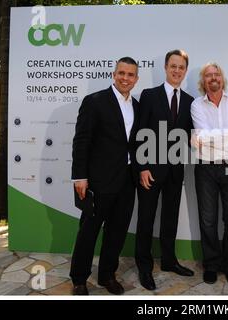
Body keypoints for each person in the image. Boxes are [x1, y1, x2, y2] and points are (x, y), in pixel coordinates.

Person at [69, 57, 140, 295]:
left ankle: (108, 275)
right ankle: (79, 279)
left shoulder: (137, 106)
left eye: (130, 75)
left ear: (136, 79)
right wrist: (80, 176)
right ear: (114, 74)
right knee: (89, 230)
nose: (125, 78)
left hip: (127, 180)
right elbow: (81, 141)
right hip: (99, 180)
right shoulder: (95, 101)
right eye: (121, 73)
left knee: (117, 231)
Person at [135, 49, 194, 291]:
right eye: (173, 66)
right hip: (150, 171)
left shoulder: (191, 102)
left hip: (175, 171)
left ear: (185, 70)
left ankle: (169, 261)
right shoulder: (149, 96)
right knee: (146, 219)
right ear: (166, 67)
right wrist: (142, 167)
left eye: (181, 67)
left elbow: (193, 136)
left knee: (170, 219)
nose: (177, 70)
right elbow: (139, 132)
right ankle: (144, 267)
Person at [191, 62, 228, 285]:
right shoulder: (196, 104)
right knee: (208, 221)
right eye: (208, 75)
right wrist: (226, 139)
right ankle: (211, 265)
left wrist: (209, 138)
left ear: (222, 78)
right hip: (206, 168)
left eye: (216, 74)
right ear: (203, 81)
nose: (213, 78)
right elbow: (201, 135)